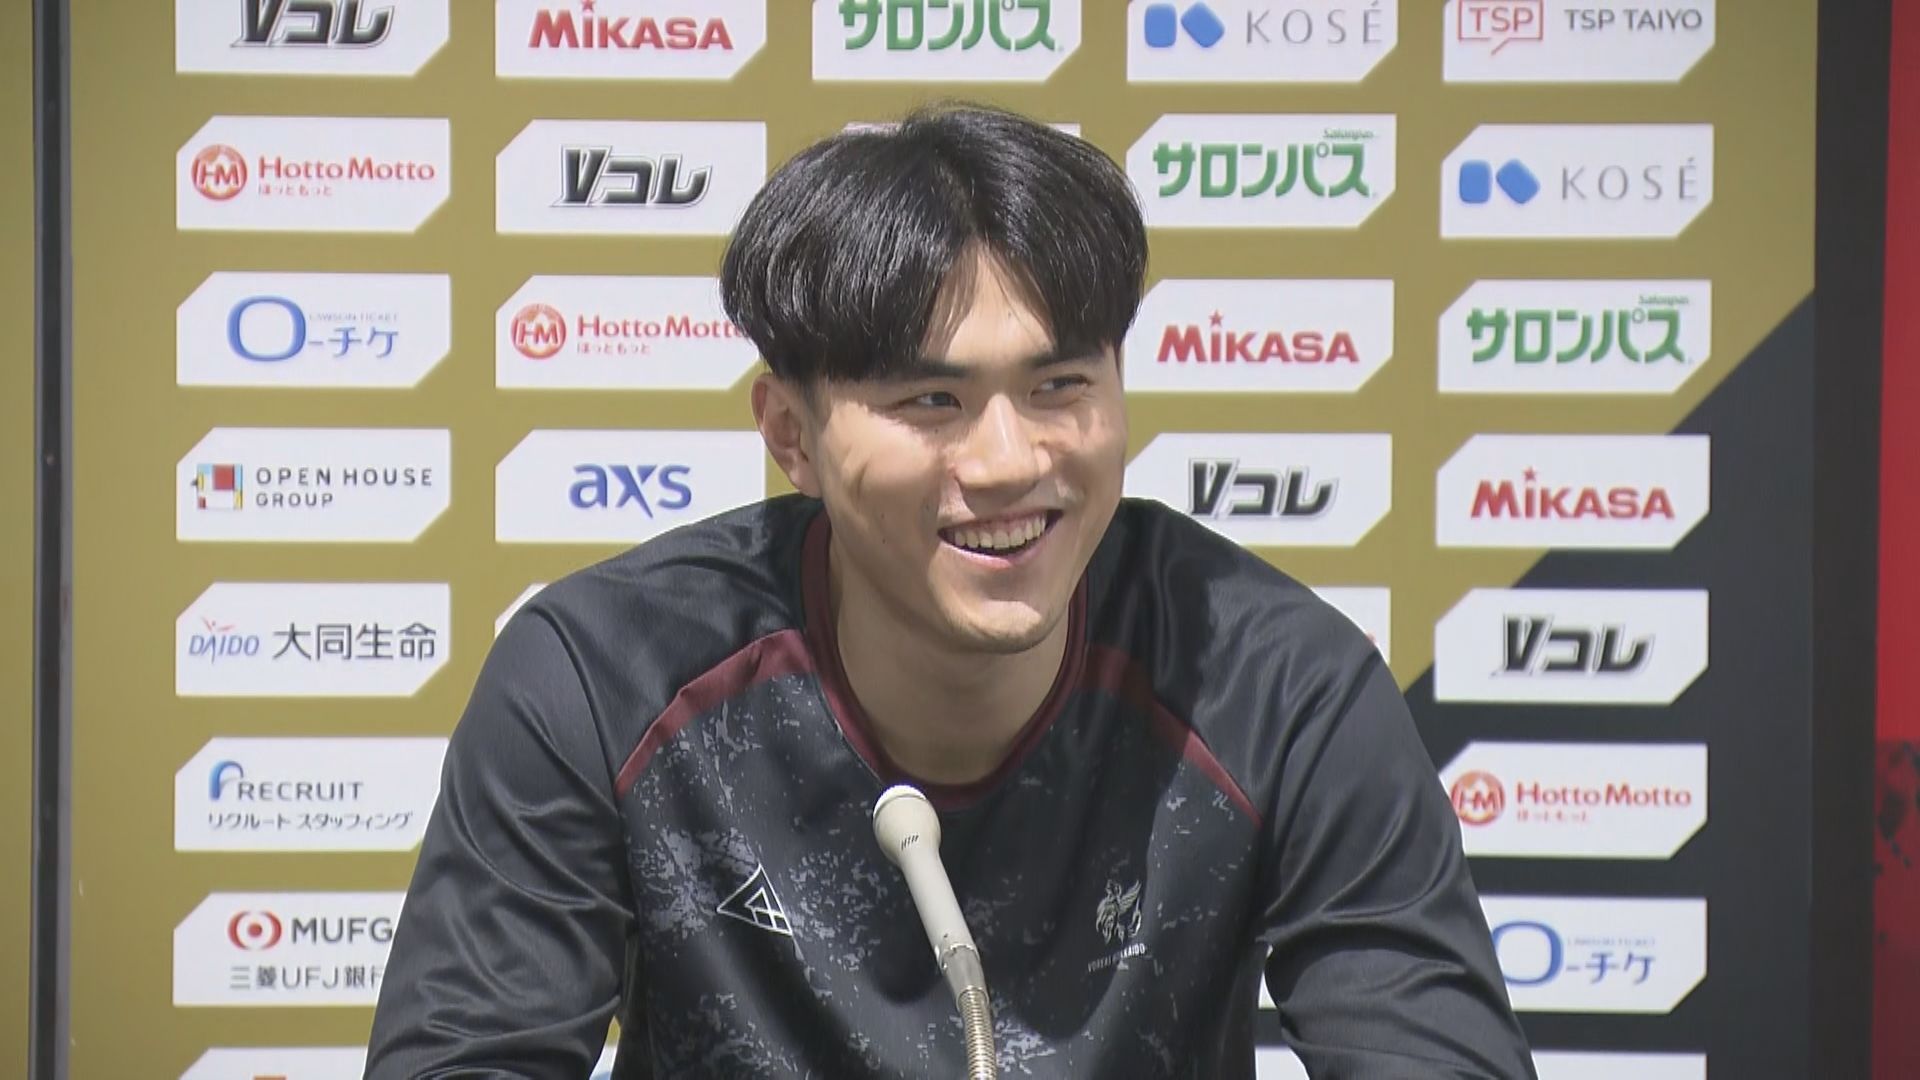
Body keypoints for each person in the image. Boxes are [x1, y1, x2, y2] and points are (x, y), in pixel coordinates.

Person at [364, 103, 1536, 1079]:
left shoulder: (1277, 685)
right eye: (932, 402)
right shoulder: (604, 675)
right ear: (790, 434)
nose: (1009, 461)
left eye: (1061, 386)